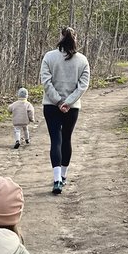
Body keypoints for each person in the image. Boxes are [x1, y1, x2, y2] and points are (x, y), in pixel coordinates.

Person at [39, 26, 90, 195]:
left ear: (60, 37)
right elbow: (83, 86)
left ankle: (56, 180)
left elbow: (46, 82)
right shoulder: (82, 60)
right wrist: (68, 102)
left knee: (56, 140)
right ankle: (64, 176)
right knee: (67, 138)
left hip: (51, 105)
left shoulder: (49, 57)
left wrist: (58, 101)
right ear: (75, 39)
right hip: (72, 107)